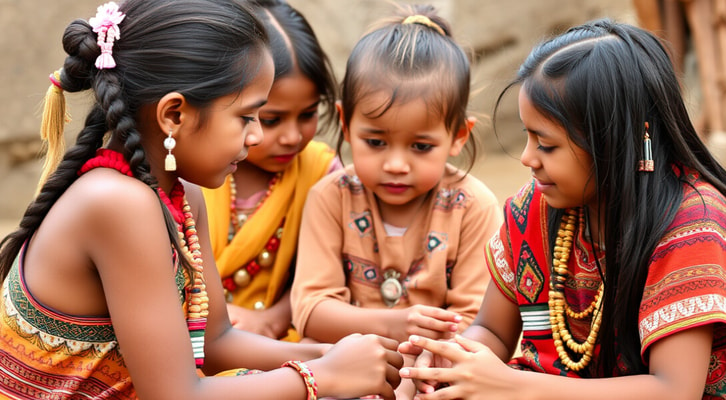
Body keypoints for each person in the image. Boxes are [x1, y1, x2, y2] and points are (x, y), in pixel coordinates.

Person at [0, 1, 403, 399]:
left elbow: (215, 343)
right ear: (173, 115)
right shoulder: (118, 203)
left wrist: (332, 357)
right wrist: (320, 376)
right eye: (247, 117)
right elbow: (176, 395)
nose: (256, 137)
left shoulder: (181, 194)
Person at [398, 19, 726, 400]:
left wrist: (511, 387)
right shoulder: (533, 207)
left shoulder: (694, 228)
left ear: (614, 143)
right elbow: (493, 332)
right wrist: (452, 364)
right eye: (528, 136)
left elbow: (673, 391)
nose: (527, 158)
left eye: (546, 144)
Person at [290, 4, 503, 399]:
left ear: (458, 135)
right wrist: (395, 325)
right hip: (347, 372)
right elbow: (311, 312)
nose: (396, 164)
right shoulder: (330, 197)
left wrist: (422, 371)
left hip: (438, 376)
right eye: (375, 142)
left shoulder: (474, 206)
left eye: (421, 146)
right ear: (345, 123)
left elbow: (477, 323)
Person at [202, 0, 341, 342]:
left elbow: (335, 279)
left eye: (308, 114)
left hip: (285, 343)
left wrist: (273, 320)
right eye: (272, 120)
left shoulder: (324, 173)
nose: (293, 137)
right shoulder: (193, 170)